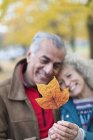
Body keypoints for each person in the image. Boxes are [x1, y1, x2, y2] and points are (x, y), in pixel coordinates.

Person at [0, 32, 66, 140]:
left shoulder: (61, 87)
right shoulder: (2, 93)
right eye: (44, 60)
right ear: (29, 55)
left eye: (56, 65)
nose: (49, 70)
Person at [48, 53, 93, 140]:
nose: (67, 83)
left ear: (81, 72)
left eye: (69, 76)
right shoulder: (62, 107)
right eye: (61, 83)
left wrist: (82, 136)